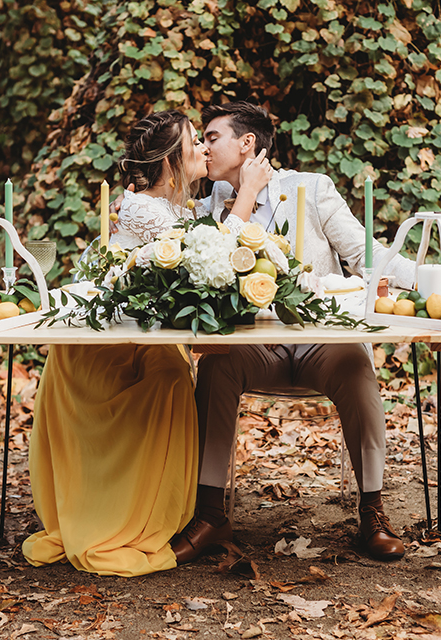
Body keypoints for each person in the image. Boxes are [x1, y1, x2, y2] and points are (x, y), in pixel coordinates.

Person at [22, 110, 270, 575]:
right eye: (195, 142)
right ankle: (129, 518)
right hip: (103, 347)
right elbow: (209, 257)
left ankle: (158, 510)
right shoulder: (139, 207)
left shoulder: (184, 209)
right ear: (173, 161)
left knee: (175, 372)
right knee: (173, 377)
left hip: (142, 337)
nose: (202, 149)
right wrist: (249, 195)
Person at [170, 101, 418, 564]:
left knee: (356, 364)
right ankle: (209, 515)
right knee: (216, 367)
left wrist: (426, 279)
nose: (204, 147)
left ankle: (372, 510)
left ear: (248, 144)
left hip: (319, 342)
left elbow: (365, 254)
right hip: (252, 348)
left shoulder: (311, 188)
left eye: (212, 137)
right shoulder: (200, 208)